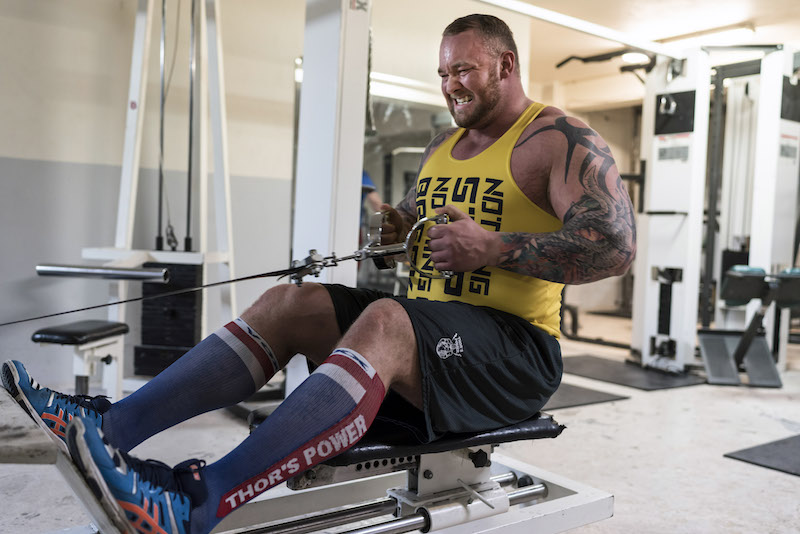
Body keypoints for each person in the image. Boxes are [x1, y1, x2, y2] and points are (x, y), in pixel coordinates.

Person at [2, 14, 635, 534]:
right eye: (443, 72)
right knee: (289, 301)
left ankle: (195, 504)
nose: (451, 85)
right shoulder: (445, 146)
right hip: (437, 338)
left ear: (506, 65)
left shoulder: (558, 138)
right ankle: (106, 430)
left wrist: (492, 247)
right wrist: (396, 235)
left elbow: (614, 246)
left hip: (515, 352)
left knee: (386, 322)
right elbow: (413, 238)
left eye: (464, 69)